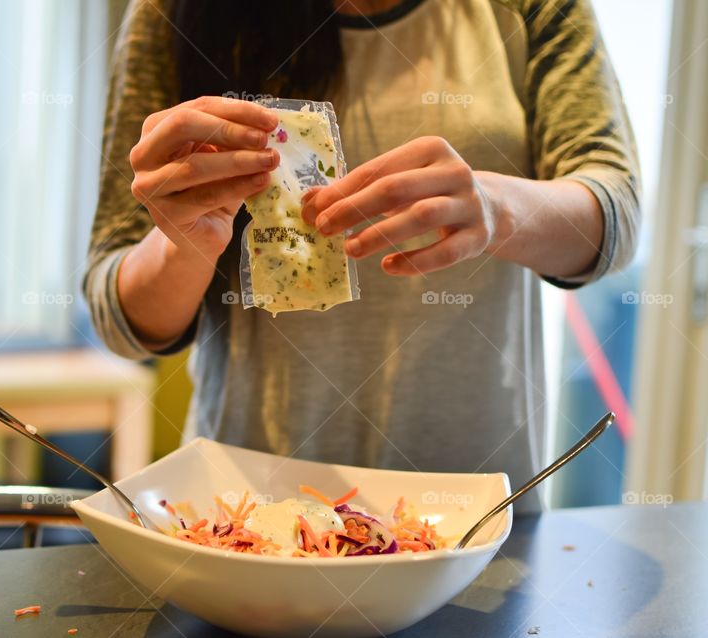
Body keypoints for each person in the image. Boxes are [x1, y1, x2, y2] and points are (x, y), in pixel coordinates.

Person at [84, 0, 639, 511]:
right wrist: (186, 245)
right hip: (248, 514)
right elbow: (120, 318)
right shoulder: (171, 11)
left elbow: (615, 215)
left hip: (470, 516)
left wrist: (497, 208)